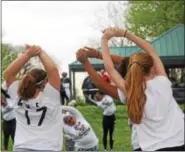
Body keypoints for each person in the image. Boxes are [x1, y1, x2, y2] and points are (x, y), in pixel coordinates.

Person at [100, 27, 184, 151]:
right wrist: (125, 33)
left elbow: (110, 68)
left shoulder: (131, 91)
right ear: (152, 68)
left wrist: (104, 39)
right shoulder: (163, 82)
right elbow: (152, 52)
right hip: (179, 142)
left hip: (151, 147)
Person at [76, 47, 140, 151]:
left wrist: (85, 62)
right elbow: (125, 61)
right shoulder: (157, 80)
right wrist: (97, 54)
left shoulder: (130, 92)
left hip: (143, 143)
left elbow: (102, 85)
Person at [3, 45, 63, 152]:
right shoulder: (51, 96)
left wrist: (27, 55)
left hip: (21, 148)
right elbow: (53, 70)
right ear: (44, 83)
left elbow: (8, 74)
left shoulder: (17, 95)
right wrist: (40, 51)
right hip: (48, 148)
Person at [1, 82, 16, 152]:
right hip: (5, 122)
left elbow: (3, 91)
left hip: (13, 121)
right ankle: (5, 149)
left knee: (14, 137)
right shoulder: (1, 103)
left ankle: (16, 149)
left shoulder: (10, 99)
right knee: (6, 137)